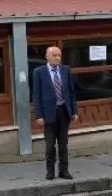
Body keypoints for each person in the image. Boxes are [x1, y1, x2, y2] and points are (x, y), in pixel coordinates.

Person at [32, 45, 79, 180]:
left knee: (63, 144)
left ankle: (64, 171)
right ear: (47, 57)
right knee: (50, 145)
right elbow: (36, 95)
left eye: (59, 55)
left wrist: (74, 111)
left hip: (64, 112)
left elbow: (71, 93)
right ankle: (50, 171)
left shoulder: (66, 70)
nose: (57, 58)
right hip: (49, 114)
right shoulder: (39, 72)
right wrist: (39, 115)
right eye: (54, 55)